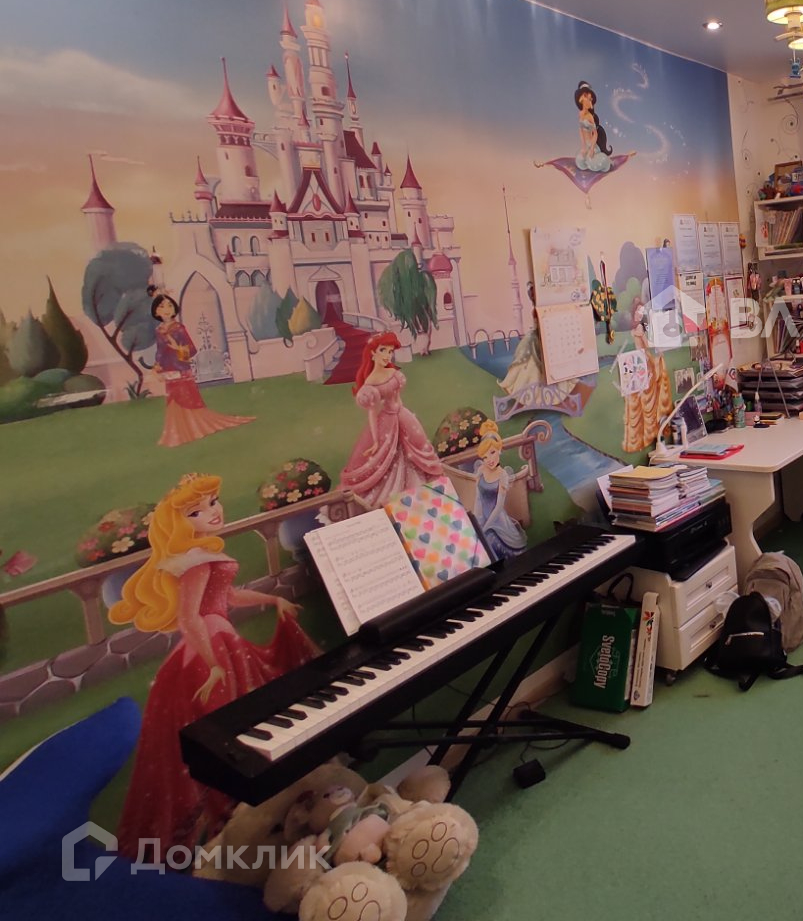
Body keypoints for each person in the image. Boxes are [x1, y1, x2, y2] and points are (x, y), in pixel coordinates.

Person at [110, 473, 317, 856]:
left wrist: (272, 601)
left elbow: (229, 596)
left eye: (213, 501)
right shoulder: (193, 564)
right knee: (227, 733)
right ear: (178, 523)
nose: (212, 512)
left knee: (240, 723)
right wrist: (212, 663)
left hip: (221, 643)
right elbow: (189, 618)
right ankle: (231, 828)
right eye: (196, 511)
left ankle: (246, 819)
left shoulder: (203, 557)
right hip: (209, 650)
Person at [337, 331, 446, 507]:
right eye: (383, 350)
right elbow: (372, 413)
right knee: (389, 458)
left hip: (403, 416)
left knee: (415, 452)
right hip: (386, 422)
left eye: (390, 351)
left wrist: (406, 418)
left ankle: (422, 497)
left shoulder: (393, 373)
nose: (387, 355)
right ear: (373, 353)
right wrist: (375, 440)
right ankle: (398, 499)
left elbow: (398, 399)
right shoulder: (371, 382)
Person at [149, 289, 253, 447]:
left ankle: (193, 428)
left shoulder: (179, 328)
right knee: (173, 399)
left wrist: (178, 348)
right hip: (169, 370)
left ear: (174, 308)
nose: (166, 309)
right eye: (162, 306)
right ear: (156, 311)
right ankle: (178, 431)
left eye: (169, 305)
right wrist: (157, 367)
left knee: (188, 399)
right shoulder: (159, 331)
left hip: (182, 368)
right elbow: (160, 351)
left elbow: (192, 351)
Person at [470, 420, 531, 561]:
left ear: (499, 450)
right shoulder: (481, 470)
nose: (489, 460)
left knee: (494, 544)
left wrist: (486, 527)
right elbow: (478, 499)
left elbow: (498, 507)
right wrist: (477, 522)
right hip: (483, 518)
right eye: (485, 457)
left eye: (492, 452)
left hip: (498, 522)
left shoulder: (502, 475)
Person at [621, 297, 674, 452]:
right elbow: (648, 346)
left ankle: (649, 432)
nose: (640, 314)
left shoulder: (638, 328)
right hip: (643, 363)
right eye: (638, 312)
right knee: (648, 399)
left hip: (642, 362)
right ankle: (651, 432)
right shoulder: (639, 328)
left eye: (641, 312)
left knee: (647, 398)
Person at [573, 80, 613, 173]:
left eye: (590, 99)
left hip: (592, 145)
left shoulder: (590, 117)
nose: (589, 101)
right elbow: (581, 130)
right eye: (587, 98)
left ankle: (605, 161)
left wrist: (591, 149)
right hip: (586, 145)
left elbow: (595, 134)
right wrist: (583, 146)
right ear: (581, 99)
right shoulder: (581, 114)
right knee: (580, 161)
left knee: (591, 163)